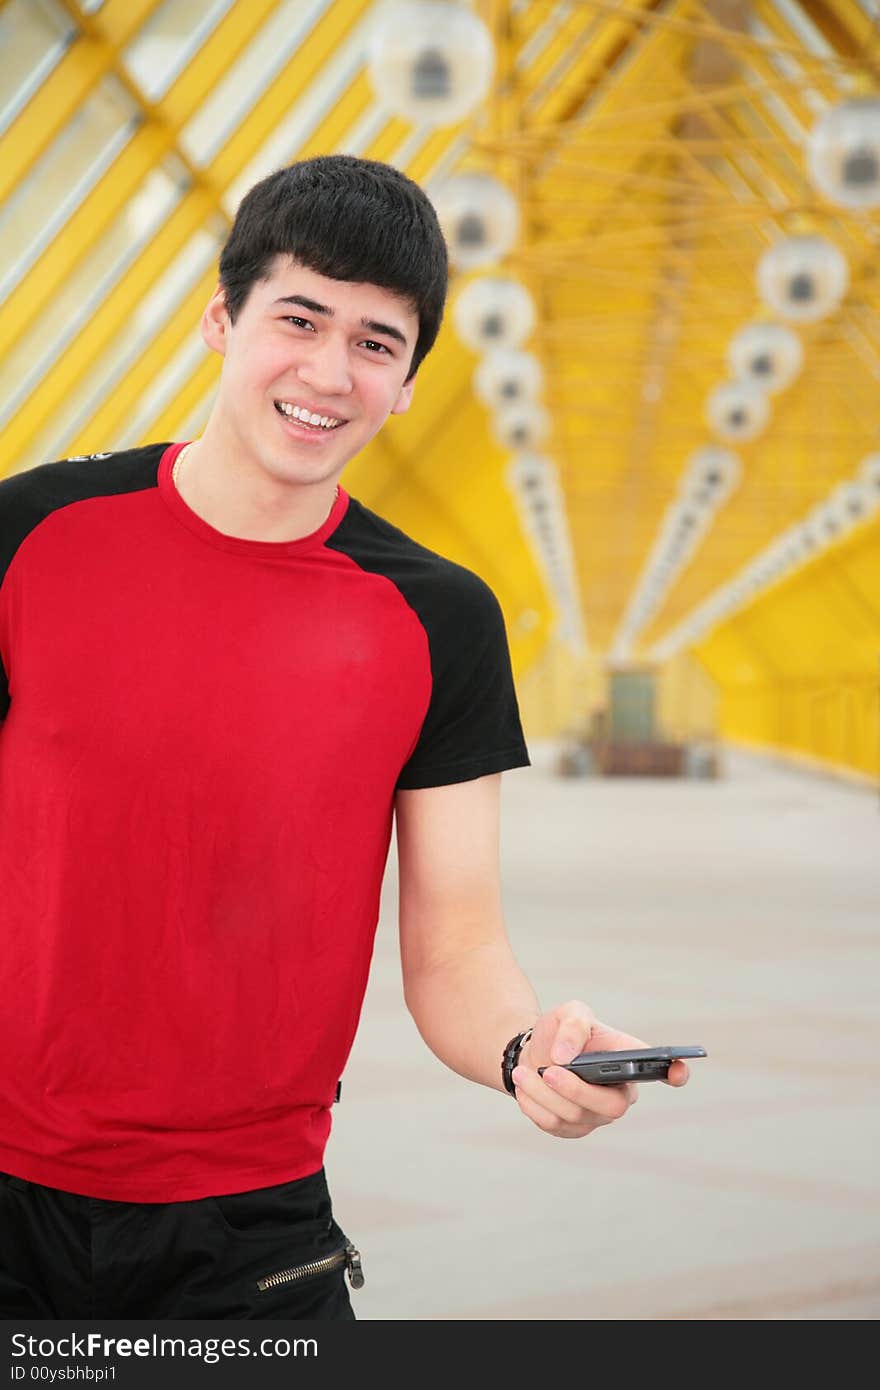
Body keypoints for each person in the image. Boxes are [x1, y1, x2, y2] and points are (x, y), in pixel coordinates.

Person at [0, 154, 689, 1321]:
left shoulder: (438, 618)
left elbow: (455, 944)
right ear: (222, 320)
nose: (329, 372)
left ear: (408, 381)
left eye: (377, 342)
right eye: (299, 318)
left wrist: (530, 1049)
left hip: (250, 1232)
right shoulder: (33, 536)